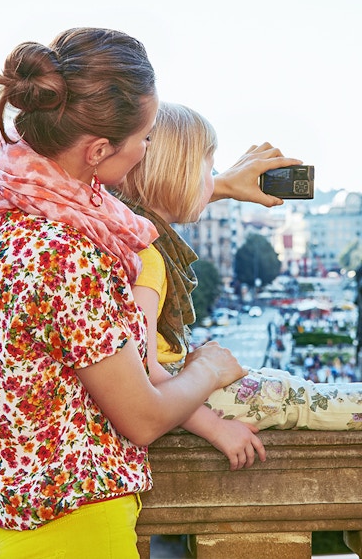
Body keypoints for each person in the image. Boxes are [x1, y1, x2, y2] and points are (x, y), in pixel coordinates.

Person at [0, 28, 250, 559]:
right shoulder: (70, 251)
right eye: (144, 138)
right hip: (78, 525)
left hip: (10, 520)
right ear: (98, 149)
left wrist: (222, 180)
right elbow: (141, 416)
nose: (145, 152)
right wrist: (209, 368)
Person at [116, 101, 362, 460]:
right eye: (208, 169)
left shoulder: (129, 235)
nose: (213, 181)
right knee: (298, 398)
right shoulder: (148, 257)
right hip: (180, 394)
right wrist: (215, 428)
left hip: (182, 386)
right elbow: (145, 374)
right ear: (180, 175)